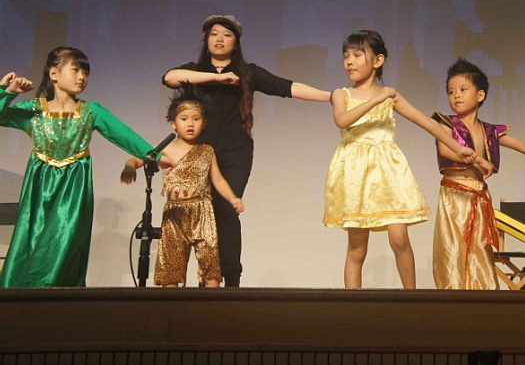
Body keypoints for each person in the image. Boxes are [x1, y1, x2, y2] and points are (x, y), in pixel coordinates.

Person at [163, 15, 329, 287]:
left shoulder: (247, 73)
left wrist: (331, 97)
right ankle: (206, 280)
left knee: (226, 209)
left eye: (226, 34)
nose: (219, 39)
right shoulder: (194, 72)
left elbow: (287, 87)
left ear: (236, 42)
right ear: (206, 41)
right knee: (200, 212)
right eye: (214, 34)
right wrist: (217, 78)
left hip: (235, 152)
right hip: (198, 154)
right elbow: (170, 77)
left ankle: (231, 281)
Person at [324, 30, 479, 289]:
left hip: (387, 170)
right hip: (354, 172)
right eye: (346, 56)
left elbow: (426, 122)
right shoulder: (341, 94)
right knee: (357, 247)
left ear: (378, 60)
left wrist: (458, 147)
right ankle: (352, 305)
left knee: (399, 238)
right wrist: (377, 98)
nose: (349, 61)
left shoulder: (390, 95)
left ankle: (412, 300)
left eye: (357, 55)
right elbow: (342, 120)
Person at [0, 47, 155, 287]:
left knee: (65, 237)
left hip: (72, 189)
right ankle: (23, 295)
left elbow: (124, 135)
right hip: (39, 189)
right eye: (75, 70)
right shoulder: (34, 110)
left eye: (86, 72)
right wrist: (7, 92)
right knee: (33, 237)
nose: (82, 77)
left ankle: (55, 296)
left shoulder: (90, 111)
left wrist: (156, 155)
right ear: (54, 73)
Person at [431, 58, 525, 289]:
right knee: (453, 250)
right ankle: (453, 300)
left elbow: (523, 145)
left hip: (479, 195)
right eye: (451, 91)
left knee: (480, 251)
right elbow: (446, 150)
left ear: (480, 95)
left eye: (463, 90)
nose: (456, 95)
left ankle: (483, 299)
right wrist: (477, 159)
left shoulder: (489, 131)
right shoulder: (447, 124)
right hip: (454, 196)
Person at [121, 85, 244, 287]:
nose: (190, 123)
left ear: (204, 123)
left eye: (196, 119)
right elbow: (138, 158)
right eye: (184, 119)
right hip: (174, 213)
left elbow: (219, 180)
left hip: (202, 211)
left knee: (210, 266)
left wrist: (233, 198)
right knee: (171, 267)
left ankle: (213, 304)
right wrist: (129, 167)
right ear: (173, 124)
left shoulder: (207, 151)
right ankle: (170, 305)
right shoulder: (166, 149)